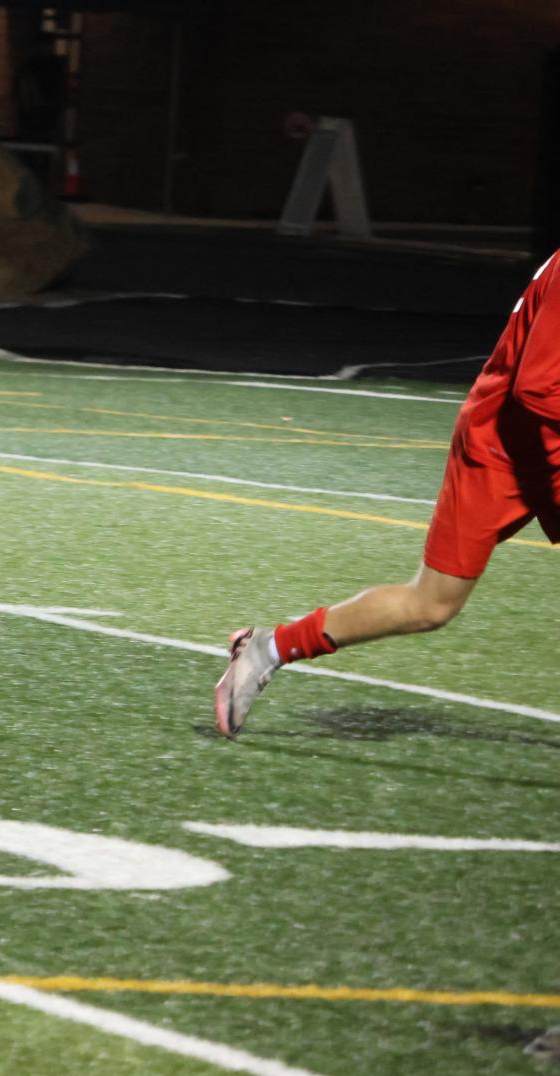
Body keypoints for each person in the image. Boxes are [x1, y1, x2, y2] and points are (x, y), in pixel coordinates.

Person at [215, 250, 560, 740]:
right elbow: (538, 389)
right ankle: (267, 650)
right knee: (431, 605)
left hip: (541, 439)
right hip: (506, 444)